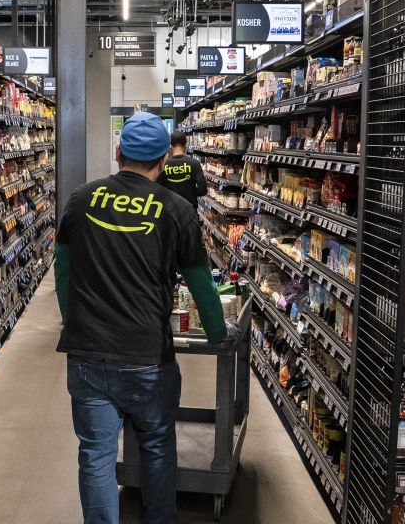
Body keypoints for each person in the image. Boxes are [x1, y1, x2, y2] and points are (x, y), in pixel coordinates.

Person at [55, 112, 235, 524]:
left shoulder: (81, 199)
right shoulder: (175, 210)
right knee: (156, 446)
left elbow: (62, 270)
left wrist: (74, 321)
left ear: (118, 153)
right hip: (148, 356)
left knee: (96, 454)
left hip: (87, 354)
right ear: (164, 162)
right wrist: (217, 331)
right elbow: (201, 283)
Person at [156, 131, 208, 211]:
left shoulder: (164, 164)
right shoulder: (194, 163)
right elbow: (202, 190)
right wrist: (190, 191)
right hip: (190, 211)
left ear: (171, 145)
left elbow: (158, 188)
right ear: (185, 145)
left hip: (170, 211)